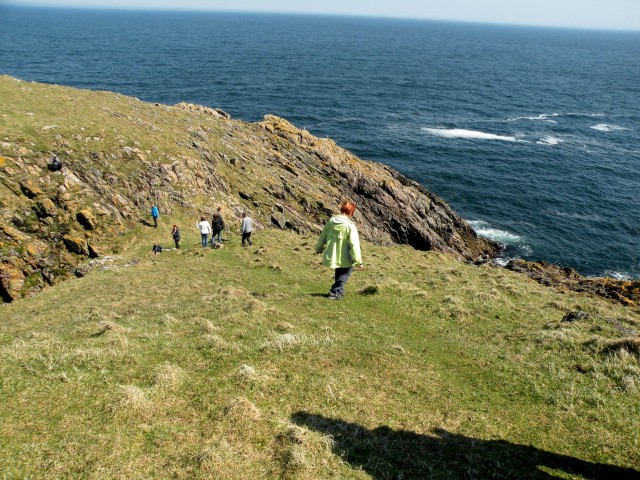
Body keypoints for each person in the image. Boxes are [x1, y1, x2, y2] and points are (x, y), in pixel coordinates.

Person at [315, 201, 363, 300]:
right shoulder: (350, 225)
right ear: (350, 212)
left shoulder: (331, 221)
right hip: (346, 255)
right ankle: (335, 291)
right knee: (347, 271)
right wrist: (358, 261)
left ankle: (339, 292)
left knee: (339, 270)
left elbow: (322, 236)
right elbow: (354, 244)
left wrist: (319, 248)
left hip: (332, 253)